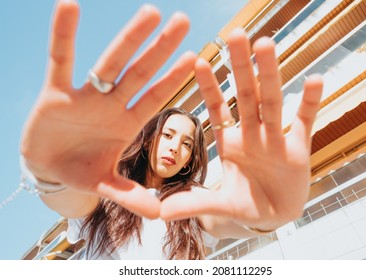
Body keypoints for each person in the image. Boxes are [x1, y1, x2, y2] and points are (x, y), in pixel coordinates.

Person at [20, 0, 323, 259]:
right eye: (167, 135)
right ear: (150, 140)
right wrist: (51, 171)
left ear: (191, 158)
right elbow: (71, 199)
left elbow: (223, 218)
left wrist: (263, 214)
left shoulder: (193, 201)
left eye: (187, 144)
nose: (175, 148)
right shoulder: (111, 187)